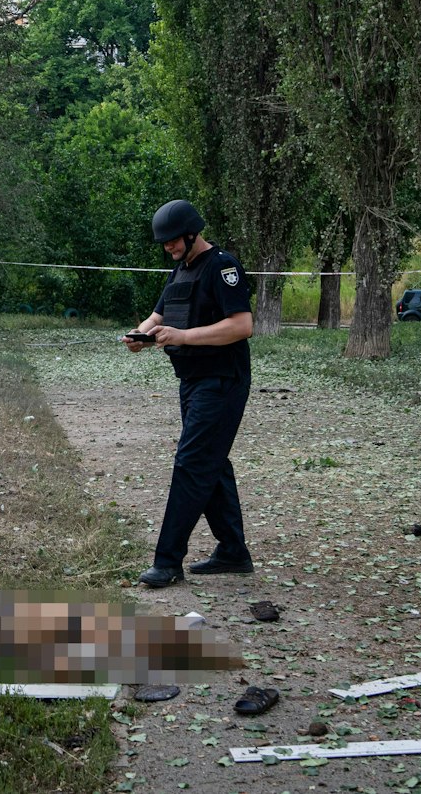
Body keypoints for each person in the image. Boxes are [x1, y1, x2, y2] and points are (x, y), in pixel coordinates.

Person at [124, 199, 257, 589]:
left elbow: (242, 325)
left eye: (172, 240)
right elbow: (159, 316)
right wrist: (140, 335)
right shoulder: (180, 271)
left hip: (222, 381)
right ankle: (233, 551)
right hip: (192, 380)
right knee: (211, 462)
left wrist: (182, 337)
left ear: (191, 232)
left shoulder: (222, 266)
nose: (168, 247)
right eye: (163, 243)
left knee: (192, 463)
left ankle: (167, 561)